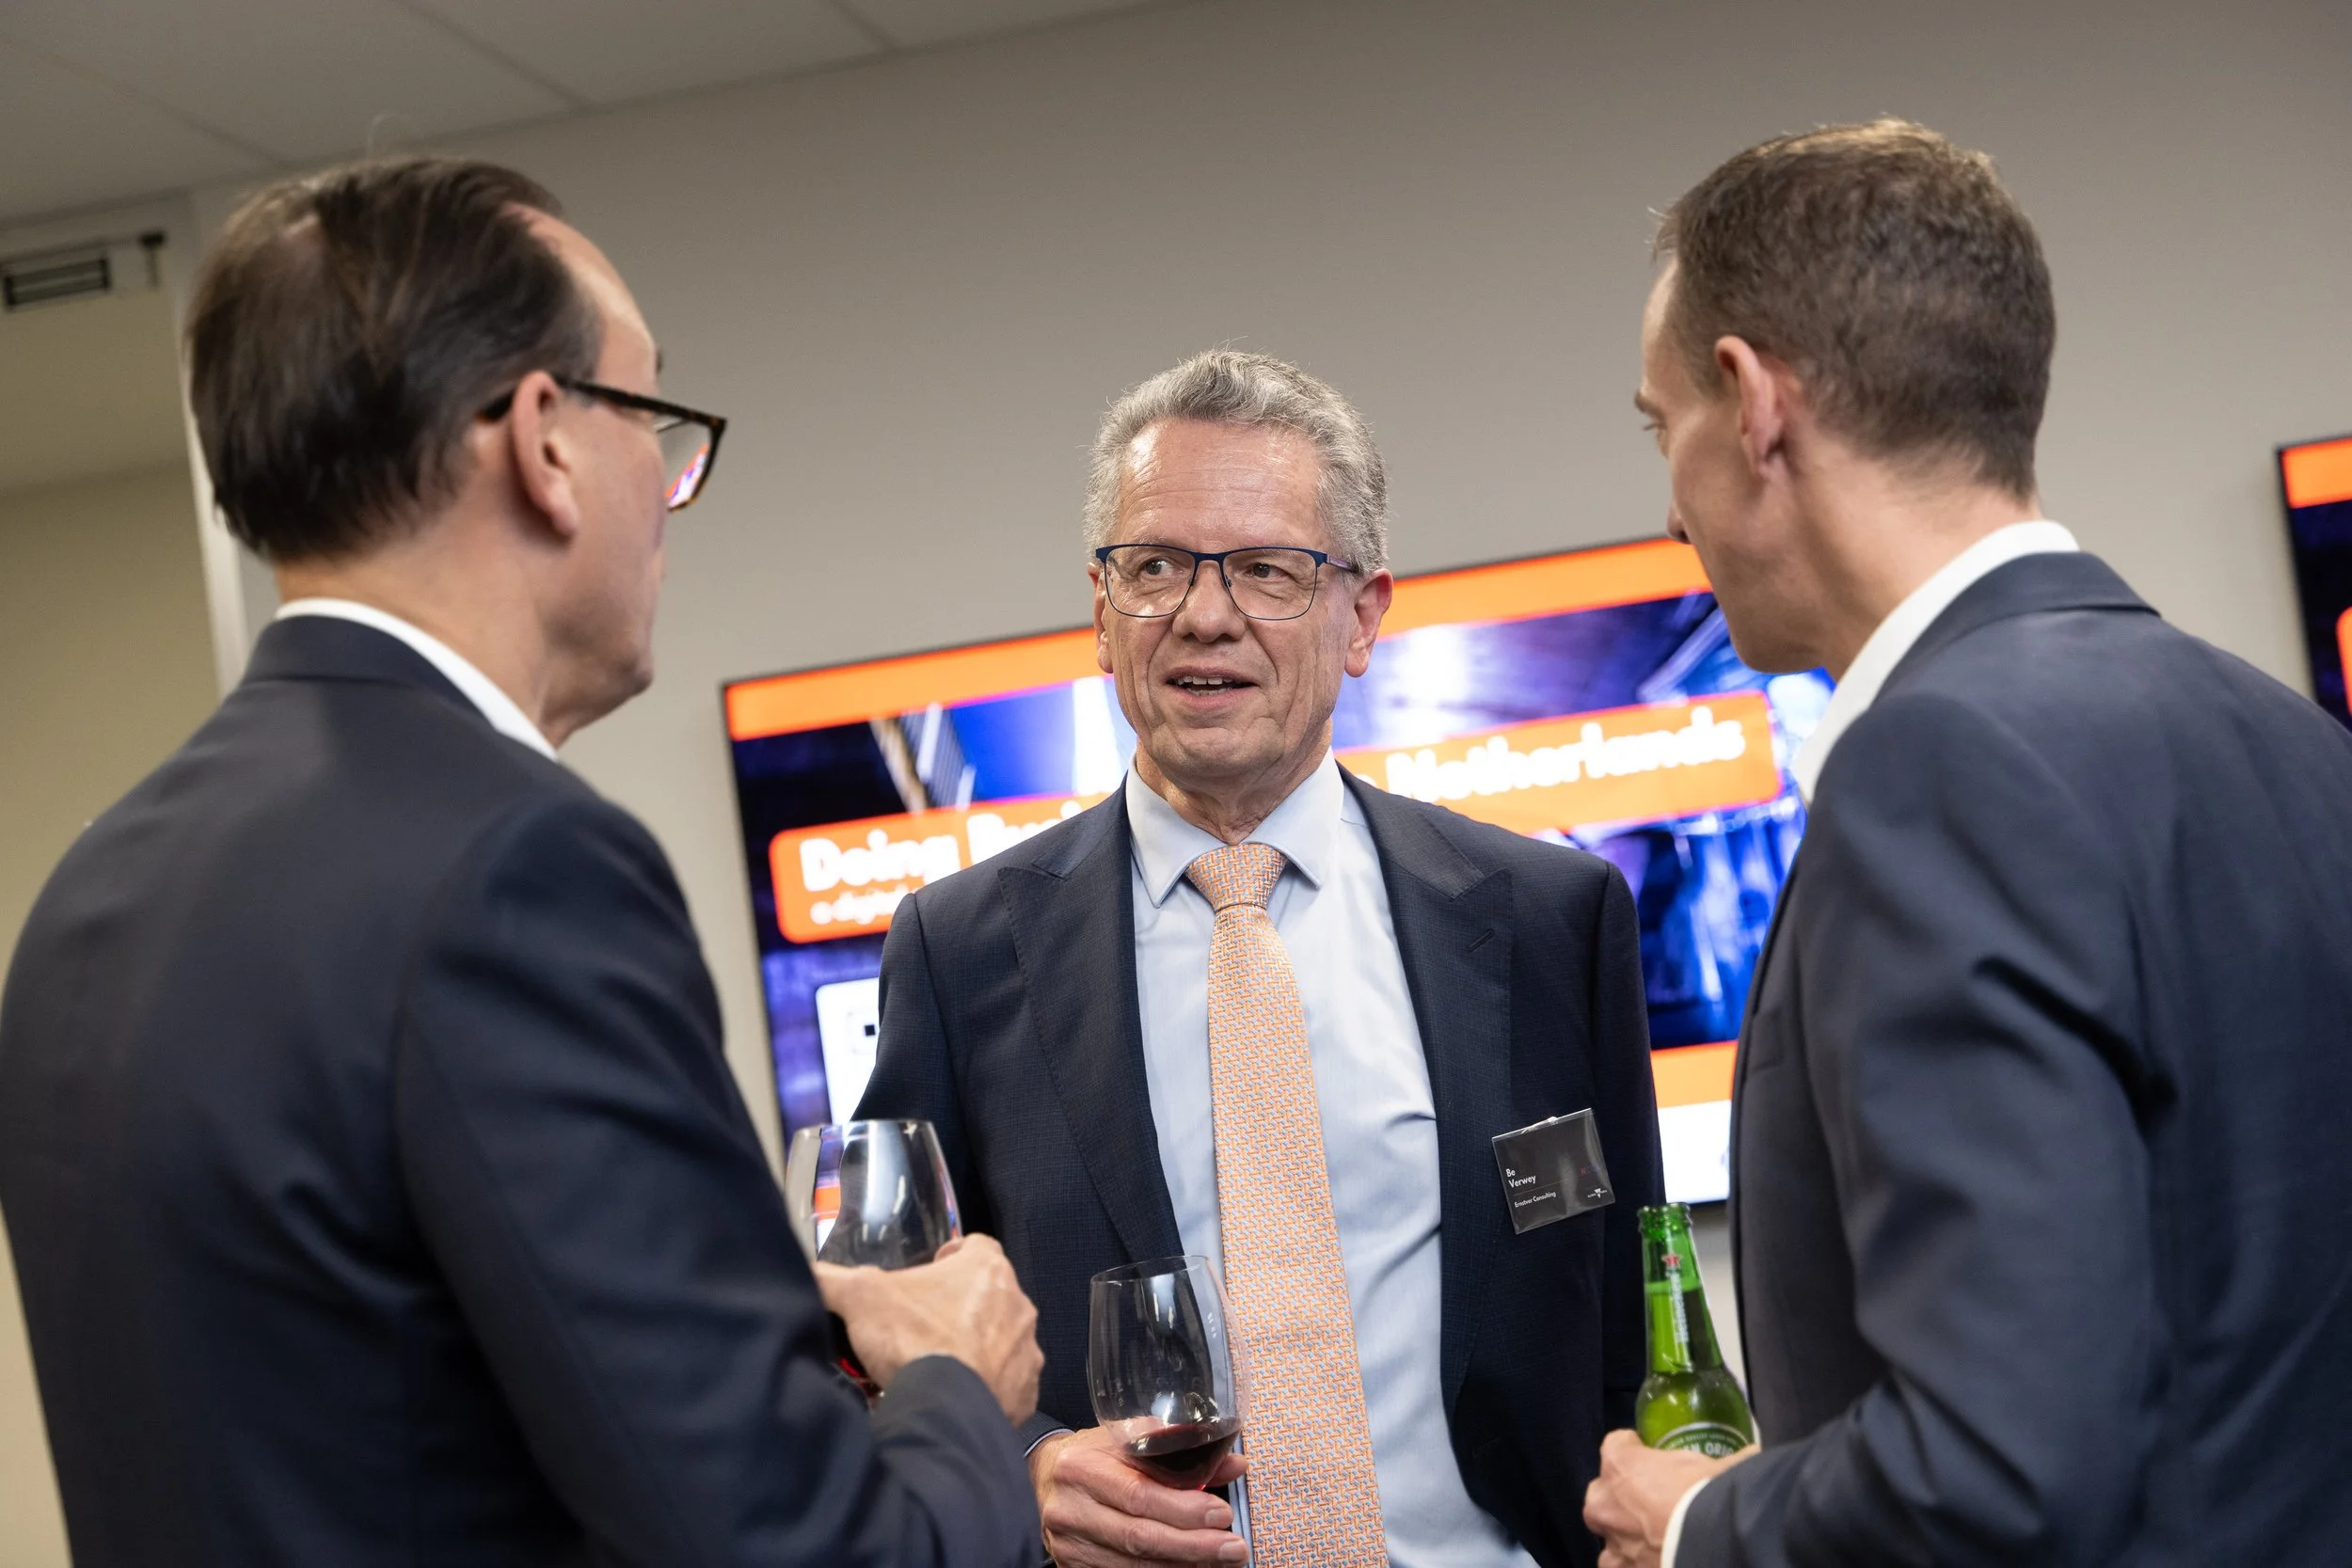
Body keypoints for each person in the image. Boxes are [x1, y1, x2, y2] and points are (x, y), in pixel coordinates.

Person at [0, 157, 1044, 1568]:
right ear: (545, 440)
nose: (670, 494)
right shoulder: (519, 868)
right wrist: (954, 1384)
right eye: (651, 417)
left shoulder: (90, 891)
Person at [1583, 120, 2352, 1568]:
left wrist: (1705, 1521)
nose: (1666, 503)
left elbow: (1997, 1463)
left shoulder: (1936, 768)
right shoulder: (2285, 733)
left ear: (1753, 406)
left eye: (1658, 422)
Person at [859, 350, 1664, 1568]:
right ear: (1100, 608)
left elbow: (1634, 1312)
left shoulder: (1553, 919)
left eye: (1269, 571)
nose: (1204, 612)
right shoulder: (958, 949)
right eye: (1156, 566)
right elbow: (863, 1330)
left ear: (1363, 615)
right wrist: (1018, 1467)